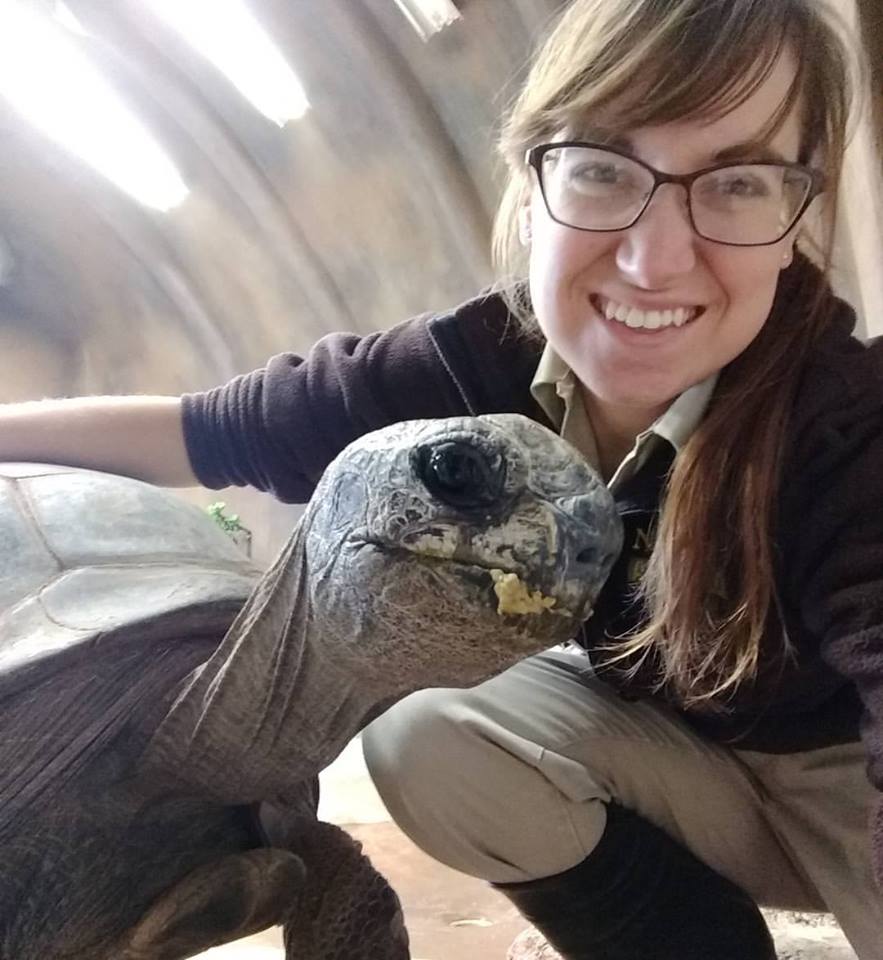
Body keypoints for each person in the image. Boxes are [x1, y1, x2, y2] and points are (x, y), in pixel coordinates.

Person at [1, 0, 880, 956]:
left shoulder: (849, 426)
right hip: (688, 752)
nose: (652, 258)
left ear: (802, 210)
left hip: (845, 785)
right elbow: (208, 431)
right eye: (600, 169)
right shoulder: (470, 365)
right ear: (531, 180)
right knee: (429, 731)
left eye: (737, 182)